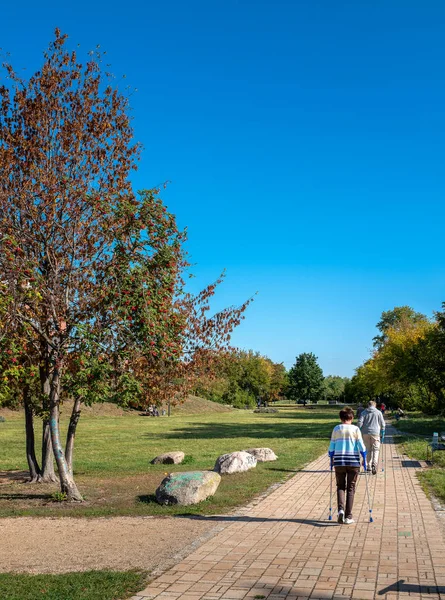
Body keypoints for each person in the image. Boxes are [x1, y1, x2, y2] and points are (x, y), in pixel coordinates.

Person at [328, 407, 367, 525]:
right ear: (352, 418)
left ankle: (340, 510)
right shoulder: (355, 429)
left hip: (339, 462)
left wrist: (331, 457)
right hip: (353, 462)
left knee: (340, 486)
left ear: (341, 418)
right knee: (351, 488)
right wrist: (364, 456)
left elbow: (332, 446)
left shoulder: (336, 428)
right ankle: (348, 516)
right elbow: (361, 445)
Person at [358, 400, 386, 474]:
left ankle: (369, 466)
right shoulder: (378, 412)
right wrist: (382, 432)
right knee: (376, 449)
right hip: (375, 433)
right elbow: (383, 423)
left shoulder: (364, 412)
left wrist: (358, 430)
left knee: (368, 449)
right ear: (375, 405)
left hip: (365, 433)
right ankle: (374, 463)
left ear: (368, 405)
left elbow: (360, 422)